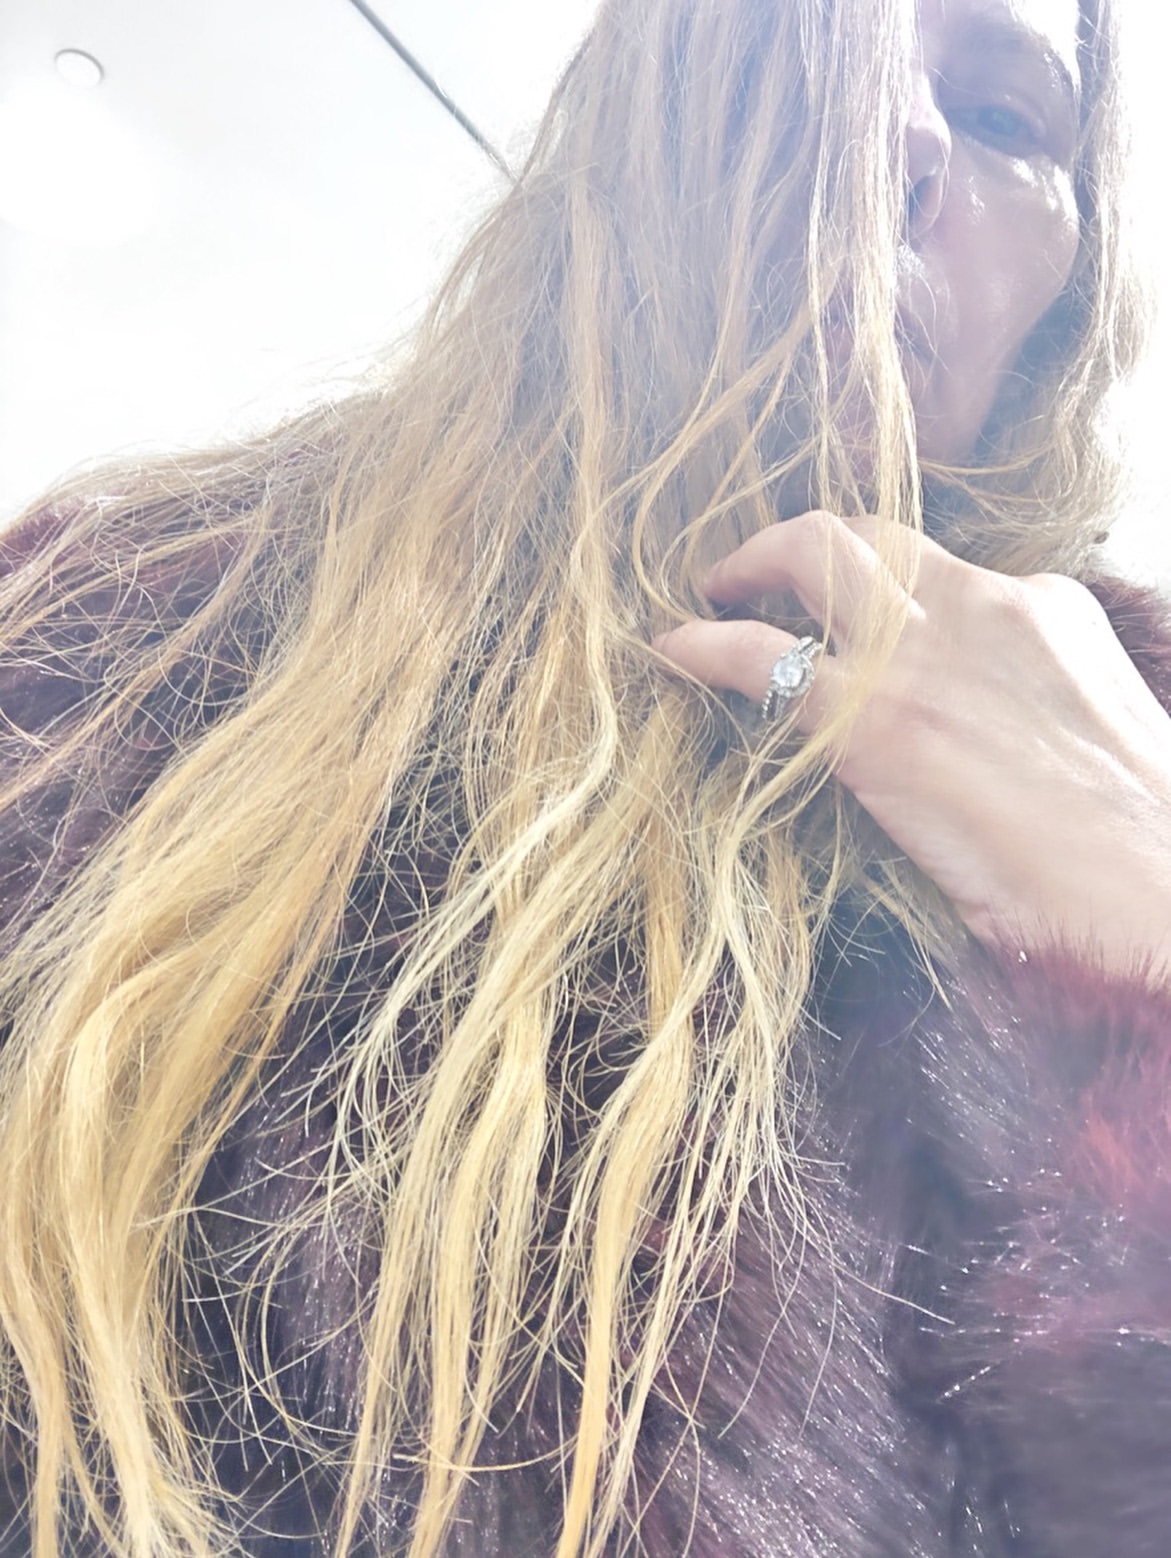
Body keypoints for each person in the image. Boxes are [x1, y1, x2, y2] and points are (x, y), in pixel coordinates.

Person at [0, 0, 1165, 1552]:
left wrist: (1147, 913)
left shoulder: (1137, 726)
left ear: (1072, 282)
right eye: (812, 43)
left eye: (1010, 117)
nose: (900, 136)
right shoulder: (117, 644)